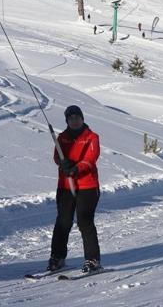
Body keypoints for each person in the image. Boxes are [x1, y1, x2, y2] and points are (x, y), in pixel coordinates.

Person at [48, 105, 102, 274]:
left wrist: (76, 168)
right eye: (71, 118)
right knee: (63, 222)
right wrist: (62, 163)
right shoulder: (62, 138)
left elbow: (91, 158)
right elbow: (58, 155)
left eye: (77, 117)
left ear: (82, 118)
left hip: (87, 186)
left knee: (85, 221)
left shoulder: (92, 137)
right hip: (65, 186)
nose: (74, 120)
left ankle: (92, 259)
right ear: (67, 121)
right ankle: (57, 257)